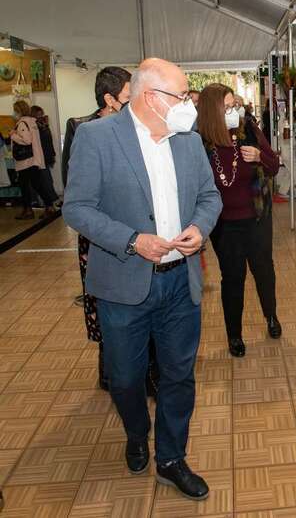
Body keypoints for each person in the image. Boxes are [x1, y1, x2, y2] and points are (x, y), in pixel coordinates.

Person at [63, 58, 222, 500]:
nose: (189, 104)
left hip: (180, 282)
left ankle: (171, 458)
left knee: (178, 375)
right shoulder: (97, 138)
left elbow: (209, 196)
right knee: (125, 377)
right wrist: (133, 241)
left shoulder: (189, 140)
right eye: (182, 95)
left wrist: (200, 227)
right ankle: (137, 432)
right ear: (151, 98)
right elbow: (77, 208)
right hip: (123, 285)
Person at [62, 66, 161, 396]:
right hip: (101, 236)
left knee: (143, 296)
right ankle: (112, 370)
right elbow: (76, 195)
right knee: (108, 303)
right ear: (110, 99)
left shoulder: (142, 129)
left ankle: (147, 370)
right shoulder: (83, 129)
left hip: (142, 230)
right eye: (129, 95)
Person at [196, 83, 282, 358]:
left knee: (263, 270)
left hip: (256, 217)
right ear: (212, 112)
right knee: (232, 278)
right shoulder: (198, 143)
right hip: (223, 225)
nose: (234, 111)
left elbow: (274, 166)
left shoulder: (249, 131)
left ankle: (271, 316)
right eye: (227, 107)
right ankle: (234, 334)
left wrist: (260, 156)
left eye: (234, 105)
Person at [10, 100, 59, 220]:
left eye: (15, 110)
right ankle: (43, 207)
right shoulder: (32, 122)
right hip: (34, 158)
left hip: (25, 161)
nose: (13, 113)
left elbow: (27, 140)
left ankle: (32, 210)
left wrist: (13, 135)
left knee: (27, 186)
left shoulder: (22, 123)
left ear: (18, 111)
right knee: (36, 184)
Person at [30, 105, 59, 203]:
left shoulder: (42, 125)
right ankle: (52, 200)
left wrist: (52, 155)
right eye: (38, 114)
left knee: (46, 179)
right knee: (45, 180)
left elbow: (48, 142)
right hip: (41, 157)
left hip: (45, 156)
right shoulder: (37, 126)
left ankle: (51, 200)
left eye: (41, 114)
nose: (40, 116)